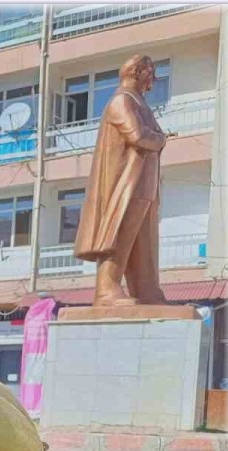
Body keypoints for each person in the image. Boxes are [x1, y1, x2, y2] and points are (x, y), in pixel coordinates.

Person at [74, 54, 177, 307]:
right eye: (149, 72)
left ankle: (146, 291)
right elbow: (138, 136)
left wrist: (156, 138)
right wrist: (161, 139)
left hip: (144, 181)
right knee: (119, 234)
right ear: (136, 72)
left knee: (142, 240)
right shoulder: (122, 101)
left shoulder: (138, 102)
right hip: (127, 182)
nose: (152, 78)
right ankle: (106, 290)